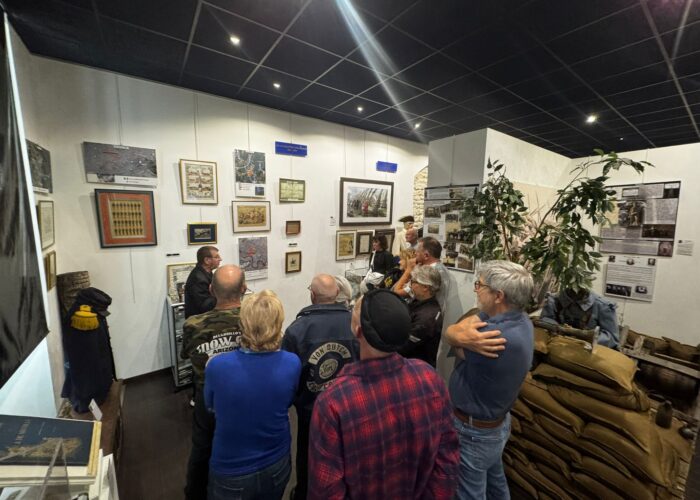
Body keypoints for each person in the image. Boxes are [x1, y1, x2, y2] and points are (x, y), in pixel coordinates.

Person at [308, 289, 459, 499]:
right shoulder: (429, 378)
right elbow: (447, 459)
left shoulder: (334, 402)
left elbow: (326, 490)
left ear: (358, 331)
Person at [446, 261, 534, 499]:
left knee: (469, 493)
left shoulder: (495, 337)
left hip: (474, 432)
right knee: (496, 485)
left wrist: (455, 334)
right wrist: (456, 332)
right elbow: (458, 329)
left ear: (498, 296)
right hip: (494, 425)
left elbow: (452, 336)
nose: (476, 290)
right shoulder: (520, 320)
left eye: (480, 285)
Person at [204, 290, 301, 500]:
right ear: (278, 324)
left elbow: (210, 406)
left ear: (243, 323)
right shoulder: (292, 363)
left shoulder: (217, 366)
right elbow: (287, 401)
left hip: (231, 469)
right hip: (277, 463)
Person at [282, 274, 359, 500]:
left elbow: (288, 377)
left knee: (308, 454)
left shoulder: (296, 330)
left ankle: (304, 492)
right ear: (336, 294)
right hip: (349, 404)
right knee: (347, 452)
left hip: (310, 409)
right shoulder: (354, 323)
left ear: (312, 295)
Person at [181, 265, 246, 500]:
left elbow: (186, 355)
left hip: (207, 397)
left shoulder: (193, 324)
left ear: (210, 289)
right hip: (244, 394)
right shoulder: (254, 320)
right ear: (244, 288)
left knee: (202, 448)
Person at [540, 288, 619, 348]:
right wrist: (557, 329)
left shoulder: (603, 306)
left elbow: (612, 338)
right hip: (558, 345)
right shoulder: (554, 300)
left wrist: (588, 339)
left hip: (587, 351)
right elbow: (545, 318)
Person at [398, 265, 443, 367]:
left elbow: (403, 347)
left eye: (413, 282)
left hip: (414, 368)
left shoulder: (427, 317)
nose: (410, 285)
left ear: (425, 287)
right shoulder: (419, 302)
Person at [393, 237, 450, 310]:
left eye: (417, 252)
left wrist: (408, 270)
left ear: (426, 255)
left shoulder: (426, 273)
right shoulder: (443, 268)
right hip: (435, 311)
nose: (415, 253)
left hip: (423, 312)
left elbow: (396, 292)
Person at [184, 246, 222, 319]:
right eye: (217, 257)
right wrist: (222, 294)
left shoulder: (207, 273)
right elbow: (204, 306)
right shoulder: (198, 278)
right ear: (207, 260)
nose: (220, 259)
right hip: (198, 321)